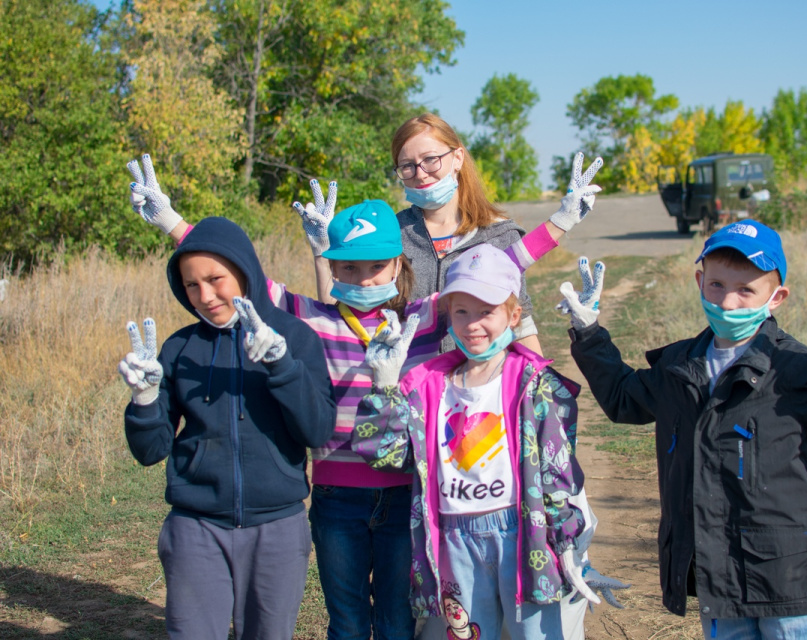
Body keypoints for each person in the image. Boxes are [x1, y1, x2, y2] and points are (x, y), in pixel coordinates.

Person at [125, 152, 603, 640]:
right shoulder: (312, 319)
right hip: (337, 496)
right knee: (348, 619)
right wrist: (171, 222)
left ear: (400, 263)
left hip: (405, 493)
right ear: (334, 270)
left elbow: (495, 271)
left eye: (377, 266)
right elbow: (237, 278)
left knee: (398, 619)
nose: (365, 278)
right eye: (349, 268)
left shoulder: (425, 316)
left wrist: (561, 221)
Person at [560, 219, 807, 639]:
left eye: (747, 290)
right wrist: (588, 333)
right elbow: (622, 398)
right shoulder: (678, 367)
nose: (728, 302)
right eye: (717, 285)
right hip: (716, 575)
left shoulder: (795, 368)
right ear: (699, 281)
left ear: (776, 297)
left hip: (786, 577)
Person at [351, 243, 603, 640]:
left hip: (524, 536)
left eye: (486, 311)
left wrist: (567, 541)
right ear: (447, 315)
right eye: (461, 311)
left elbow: (556, 472)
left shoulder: (532, 384)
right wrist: (383, 387)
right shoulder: (427, 387)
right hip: (454, 541)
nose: (473, 324)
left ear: (513, 315)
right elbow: (386, 455)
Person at [117, 216, 338, 639]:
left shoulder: (295, 336)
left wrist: (282, 366)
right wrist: (144, 401)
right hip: (196, 527)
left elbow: (317, 431)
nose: (205, 295)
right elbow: (150, 450)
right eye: (191, 285)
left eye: (216, 278)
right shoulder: (180, 348)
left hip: (277, 528)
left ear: (245, 270)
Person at [390, 113, 603, 354]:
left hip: (481, 385)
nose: (420, 173)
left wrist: (541, 383)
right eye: (407, 166)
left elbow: (520, 324)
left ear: (457, 158)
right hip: (412, 385)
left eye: (430, 159)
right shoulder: (390, 236)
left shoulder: (498, 234)